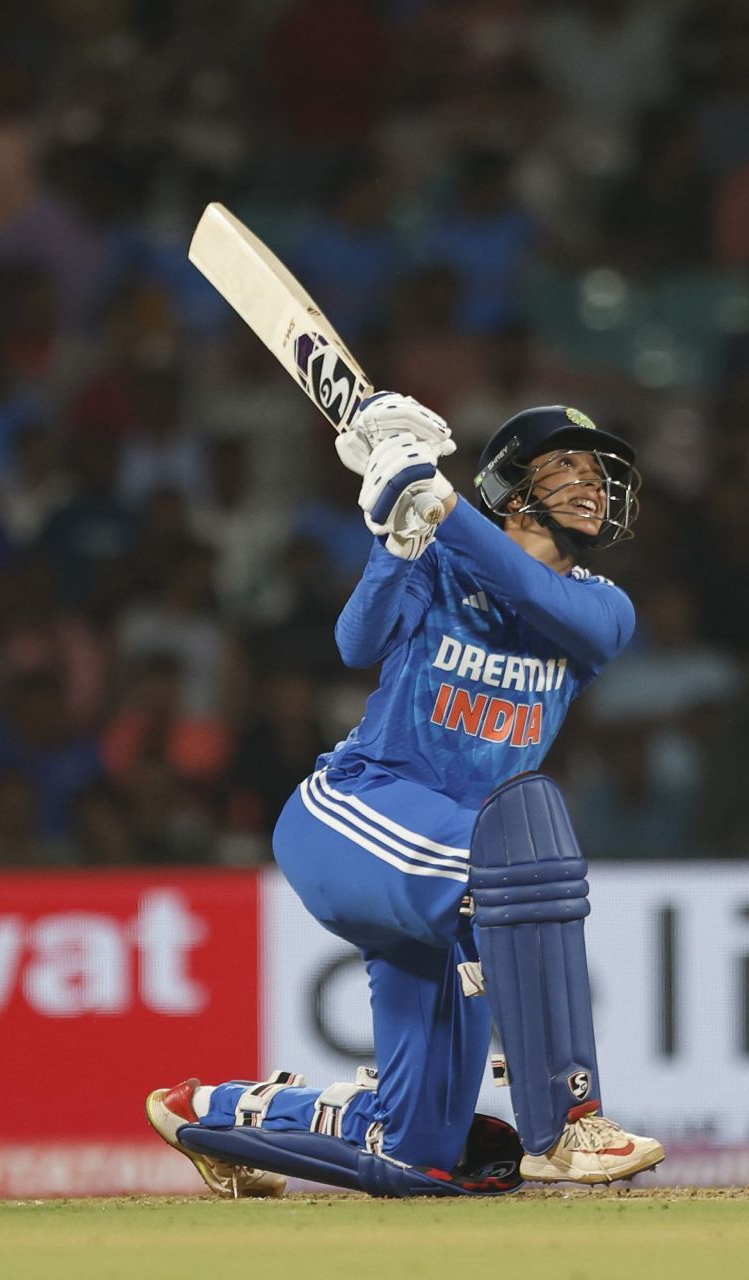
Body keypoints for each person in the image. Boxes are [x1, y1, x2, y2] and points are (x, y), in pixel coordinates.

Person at [146, 394, 663, 1196]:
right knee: (522, 854)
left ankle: (224, 1116)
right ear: (512, 486)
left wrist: (443, 504)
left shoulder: (603, 607)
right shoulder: (441, 560)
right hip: (357, 814)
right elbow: (356, 642)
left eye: (599, 472)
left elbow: (535, 597)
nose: (591, 484)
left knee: (423, 1154)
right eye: (565, 465)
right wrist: (397, 535)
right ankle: (567, 1124)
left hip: (452, 876)